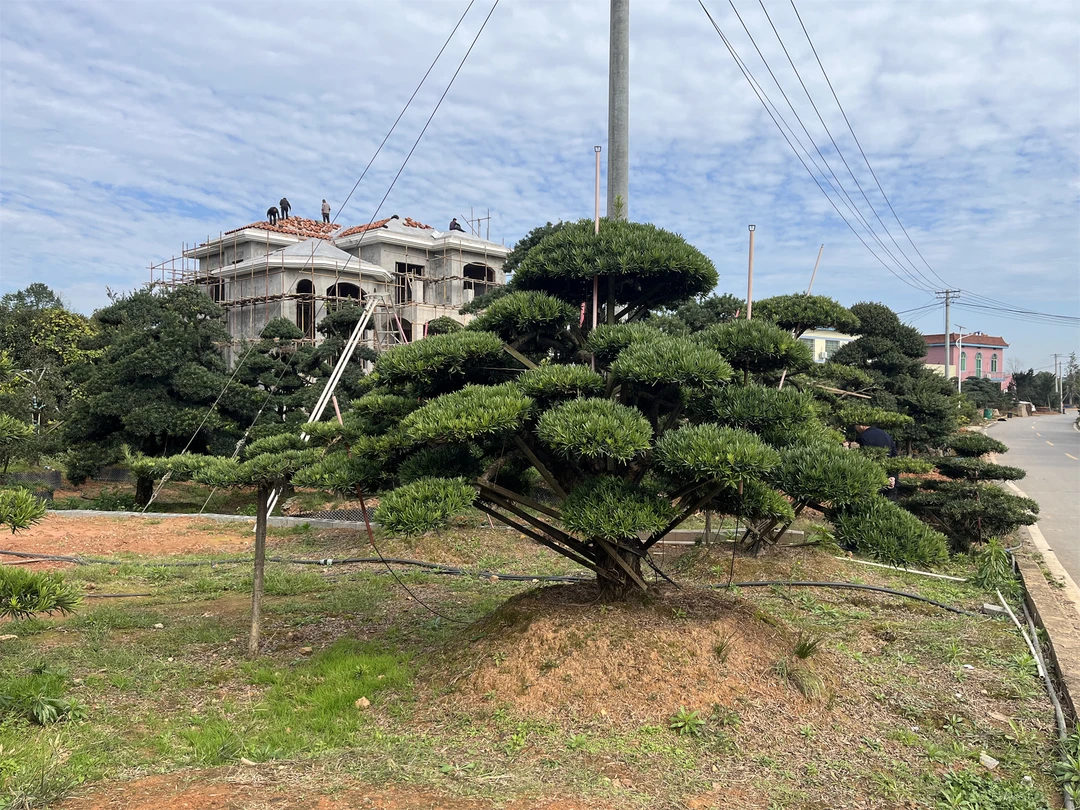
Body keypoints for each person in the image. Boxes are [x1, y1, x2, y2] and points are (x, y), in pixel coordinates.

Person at [854, 423, 898, 499]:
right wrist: (893, 476)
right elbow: (894, 457)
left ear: (861, 425)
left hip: (872, 480)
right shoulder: (886, 435)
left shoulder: (862, 437)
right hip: (890, 480)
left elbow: (863, 460)